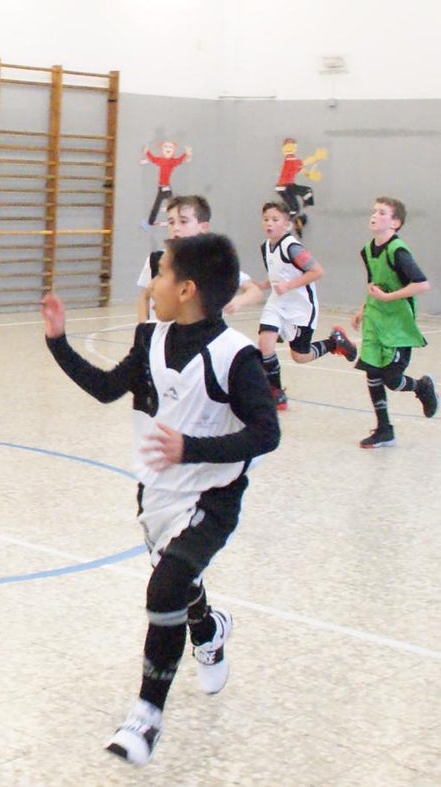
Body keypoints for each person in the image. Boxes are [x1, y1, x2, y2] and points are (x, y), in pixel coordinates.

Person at [42, 233, 280, 766]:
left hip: (214, 498)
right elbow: (106, 388)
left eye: (161, 273)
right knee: (181, 585)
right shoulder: (150, 338)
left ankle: (146, 718)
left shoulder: (235, 356)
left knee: (165, 586)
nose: (152, 283)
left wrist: (190, 447)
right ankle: (210, 629)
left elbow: (267, 433)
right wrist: (59, 341)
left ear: (188, 288)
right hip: (158, 495)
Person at [349, 197, 437, 448]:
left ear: (395, 223)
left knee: (392, 379)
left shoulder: (398, 251)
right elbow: (373, 283)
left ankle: (422, 386)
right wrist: (363, 309)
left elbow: (422, 284)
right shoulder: (367, 250)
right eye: (373, 210)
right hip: (376, 321)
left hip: (397, 325)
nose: (374, 215)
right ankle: (384, 428)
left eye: (382, 212)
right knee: (372, 373)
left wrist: (388, 297)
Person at [255, 201, 357, 410]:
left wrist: (289, 286)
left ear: (287, 224)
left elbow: (317, 272)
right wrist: (259, 286)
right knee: (265, 345)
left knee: (300, 356)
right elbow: (277, 276)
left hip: (301, 307)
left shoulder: (292, 247)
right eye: (266, 219)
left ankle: (334, 343)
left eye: (275, 220)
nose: (270, 224)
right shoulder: (265, 247)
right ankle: (276, 392)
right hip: (277, 303)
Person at [135, 195, 261, 322]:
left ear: (203, 227)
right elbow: (144, 297)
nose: (176, 228)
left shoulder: (213, 262)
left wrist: (238, 301)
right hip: (162, 336)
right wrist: (143, 327)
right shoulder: (156, 260)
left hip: (201, 336)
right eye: (171, 222)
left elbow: (255, 291)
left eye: (183, 221)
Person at [140, 141, 191, 228]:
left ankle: (177, 221)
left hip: (165, 187)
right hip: (162, 188)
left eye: (170, 147)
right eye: (166, 147)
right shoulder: (162, 160)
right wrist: (147, 152)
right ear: (162, 150)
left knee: (171, 205)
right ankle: (150, 222)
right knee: (160, 205)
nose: (168, 149)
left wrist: (186, 154)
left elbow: (179, 160)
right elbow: (153, 159)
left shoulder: (171, 162)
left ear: (173, 150)